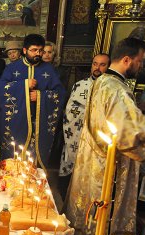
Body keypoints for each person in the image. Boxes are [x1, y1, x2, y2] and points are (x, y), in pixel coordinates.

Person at [65, 37, 145, 235]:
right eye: (140, 61)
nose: (141, 66)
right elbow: (130, 132)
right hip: (109, 164)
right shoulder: (118, 90)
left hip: (92, 157)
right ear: (126, 60)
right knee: (105, 208)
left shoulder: (100, 82)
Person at [0, 34, 65, 170]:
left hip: (39, 124)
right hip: (17, 121)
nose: (38, 54)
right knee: (14, 159)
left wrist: (40, 96)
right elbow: (0, 87)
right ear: (25, 50)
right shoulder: (12, 68)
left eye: (40, 50)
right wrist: (24, 85)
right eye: (34, 50)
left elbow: (60, 94)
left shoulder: (48, 70)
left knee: (34, 163)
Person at [58, 53, 110, 198]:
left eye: (102, 64)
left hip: (96, 139)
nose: (97, 68)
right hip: (75, 135)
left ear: (108, 66)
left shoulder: (110, 89)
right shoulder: (80, 85)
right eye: (95, 63)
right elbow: (70, 111)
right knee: (70, 165)